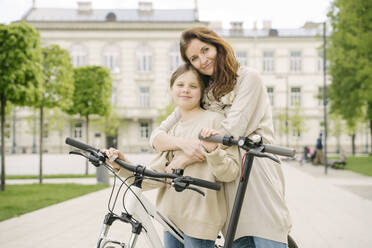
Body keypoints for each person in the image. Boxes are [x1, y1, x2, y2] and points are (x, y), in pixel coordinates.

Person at [150, 27, 292, 248]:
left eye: (206, 50)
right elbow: (158, 134)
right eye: (194, 58)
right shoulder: (205, 89)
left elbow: (228, 132)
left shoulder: (248, 78)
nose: (203, 60)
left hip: (254, 170)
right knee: (237, 240)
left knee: (267, 236)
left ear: (217, 45)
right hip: (224, 175)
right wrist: (182, 144)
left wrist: (182, 160)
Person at [105, 63, 240, 248]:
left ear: (202, 91)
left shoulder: (215, 121)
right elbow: (157, 177)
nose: (186, 90)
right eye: (180, 85)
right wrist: (121, 164)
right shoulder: (172, 130)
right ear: (171, 89)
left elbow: (230, 172)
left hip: (201, 219)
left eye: (193, 86)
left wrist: (212, 151)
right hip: (170, 220)